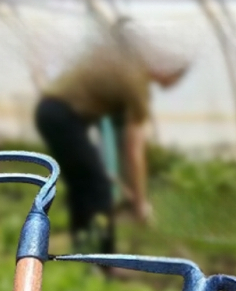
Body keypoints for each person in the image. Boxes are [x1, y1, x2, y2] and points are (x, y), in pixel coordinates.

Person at [35, 27, 189, 253]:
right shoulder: (135, 82)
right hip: (60, 115)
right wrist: (140, 203)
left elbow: (114, 130)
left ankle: (84, 252)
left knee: (84, 186)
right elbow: (133, 150)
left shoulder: (126, 65)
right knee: (97, 188)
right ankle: (103, 258)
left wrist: (130, 189)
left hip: (54, 112)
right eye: (177, 75)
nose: (175, 82)